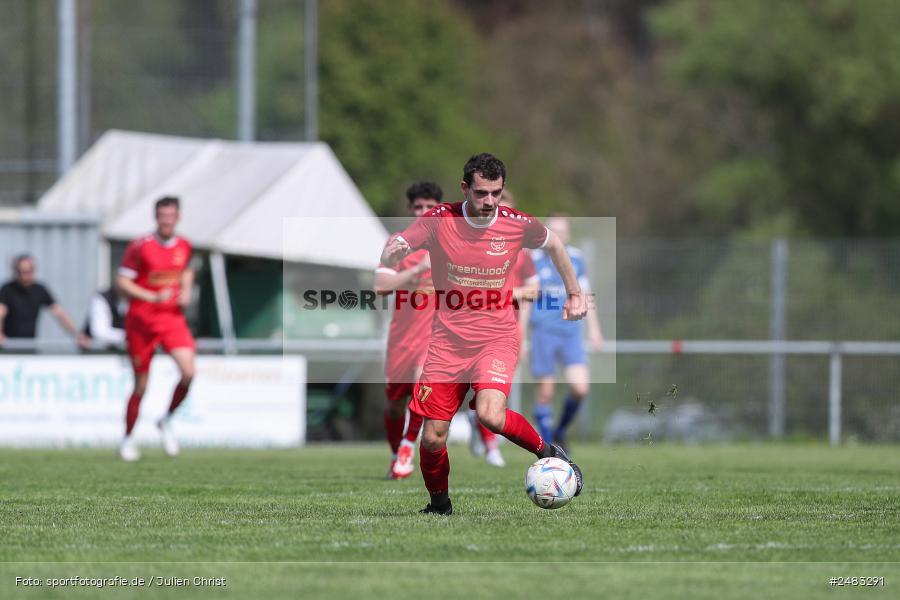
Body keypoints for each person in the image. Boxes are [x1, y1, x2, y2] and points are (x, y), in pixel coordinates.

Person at [380, 153, 587, 515]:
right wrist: (393, 251)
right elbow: (399, 246)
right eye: (481, 193)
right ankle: (439, 505)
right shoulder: (440, 220)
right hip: (447, 344)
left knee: (491, 414)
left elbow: (555, 244)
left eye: (496, 192)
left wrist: (574, 293)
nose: (489, 201)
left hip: (496, 338)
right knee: (433, 437)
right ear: (465, 188)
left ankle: (551, 454)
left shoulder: (516, 224)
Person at [116, 196, 196, 462]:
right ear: (156, 217)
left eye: (171, 216)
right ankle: (128, 438)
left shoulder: (184, 245)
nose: (167, 221)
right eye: (163, 216)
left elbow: (186, 271)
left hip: (172, 319)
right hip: (141, 321)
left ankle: (166, 419)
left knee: (188, 372)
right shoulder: (140, 246)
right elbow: (122, 282)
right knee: (141, 385)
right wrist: (152, 297)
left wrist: (186, 290)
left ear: (178, 217)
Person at [466, 189, 539, 468]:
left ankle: (484, 432)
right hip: (472, 328)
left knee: (493, 392)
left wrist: (522, 331)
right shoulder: (474, 244)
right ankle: (488, 441)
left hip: (506, 331)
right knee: (479, 391)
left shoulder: (522, 252)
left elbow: (533, 291)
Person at [374, 181, 441, 479]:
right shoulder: (397, 244)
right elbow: (380, 286)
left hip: (433, 335)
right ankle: (395, 454)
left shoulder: (449, 243)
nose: (423, 212)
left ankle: (407, 446)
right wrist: (416, 270)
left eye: (430, 207)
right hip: (401, 336)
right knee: (394, 405)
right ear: (409, 209)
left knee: (420, 387)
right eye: (418, 207)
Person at [524, 215, 604, 452]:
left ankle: (559, 431)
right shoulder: (534, 258)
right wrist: (522, 336)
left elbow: (585, 294)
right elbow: (526, 300)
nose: (558, 235)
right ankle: (549, 447)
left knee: (580, 388)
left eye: (562, 231)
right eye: (553, 230)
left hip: (571, 333)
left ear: (568, 234)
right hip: (543, 332)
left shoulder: (577, 258)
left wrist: (595, 329)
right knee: (545, 392)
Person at [0, 254, 89, 348]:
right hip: (8, 346)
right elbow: (1, 312)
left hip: (30, 346)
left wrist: (77, 335)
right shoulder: (7, 289)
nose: (25, 275)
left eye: (29, 271)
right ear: (16, 271)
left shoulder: (39, 290)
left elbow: (59, 313)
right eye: (22, 271)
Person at [82, 286, 127, 350]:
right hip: (98, 352)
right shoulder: (102, 298)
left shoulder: (136, 301)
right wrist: (129, 336)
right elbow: (99, 332)